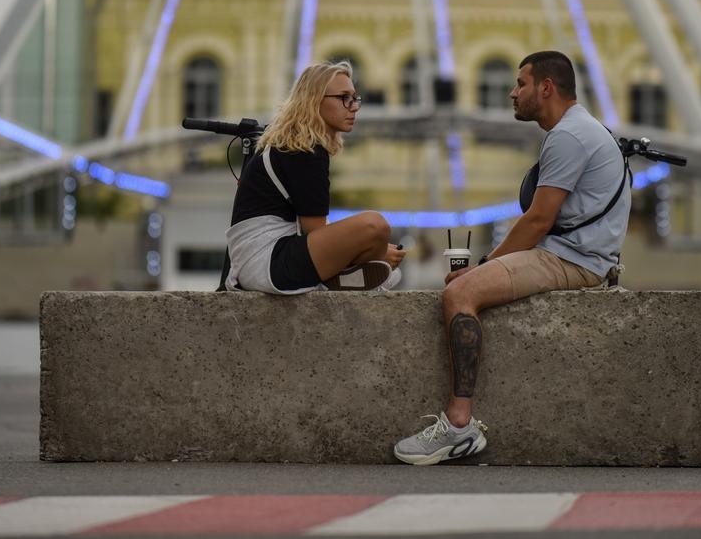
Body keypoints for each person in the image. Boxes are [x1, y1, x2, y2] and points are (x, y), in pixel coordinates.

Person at [393, 50, 630, 465]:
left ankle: (458, 425)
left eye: (520, 83)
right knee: (466, 287)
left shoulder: (569, 136)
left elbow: (538, 220)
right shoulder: (579, 129)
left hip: (572, 261)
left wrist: (485, 267)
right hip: (577, 255)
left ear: (546, 87)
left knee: (458, 295)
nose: (512, 93)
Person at [224, 60, 405, 294]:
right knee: (375, 226)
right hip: (269, 262)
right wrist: (378, 251)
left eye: (355, 98)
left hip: (256, 261)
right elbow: (315, 230)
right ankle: (341, 277)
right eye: (344, 98)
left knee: (374, 241)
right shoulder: (304, 150)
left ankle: (342, 277)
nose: (354, 106)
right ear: (314, 99)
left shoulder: (291, 144)